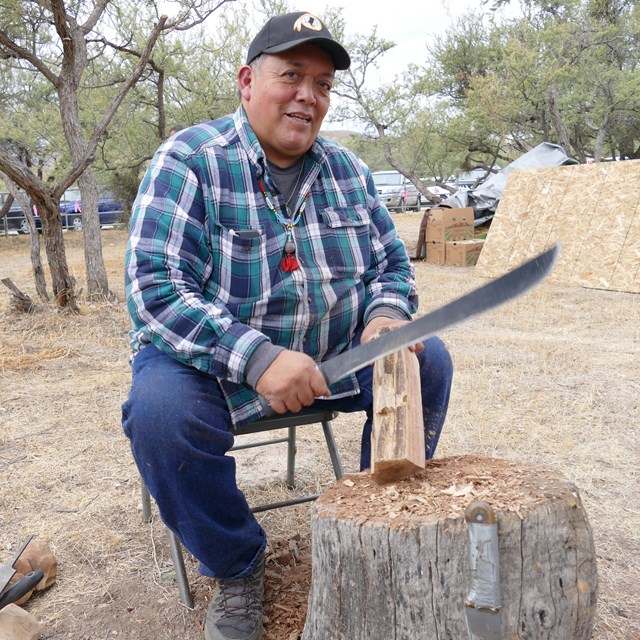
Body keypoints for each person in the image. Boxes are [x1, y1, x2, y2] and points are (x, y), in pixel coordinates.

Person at [122, 11, 453, 640]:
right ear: (248, 81)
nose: (309, 95)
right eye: (291, 75)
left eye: (323, 83)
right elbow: (155, 291)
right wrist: (257, 358)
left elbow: (390, 267)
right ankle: (238, 563)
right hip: (212, 366)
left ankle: (373, 529)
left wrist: (386, 316)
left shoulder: (349, 173)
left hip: (327, 359)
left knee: (423, 356)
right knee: (160, 413)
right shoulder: (190, 161)